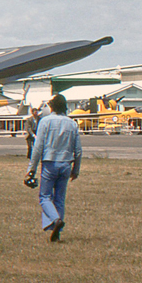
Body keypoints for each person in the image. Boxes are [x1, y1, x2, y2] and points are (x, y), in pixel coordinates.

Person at [26, 93, 81, 242]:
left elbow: (38, 147)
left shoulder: (45, 122)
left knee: (44, 197)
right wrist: (76, 169)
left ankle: (55, 220)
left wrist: (31, 169)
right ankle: (57, 231)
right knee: (59, 199)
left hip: (50, 162)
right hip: (66, 164)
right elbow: (78, 149)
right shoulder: (72, 123)